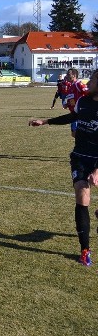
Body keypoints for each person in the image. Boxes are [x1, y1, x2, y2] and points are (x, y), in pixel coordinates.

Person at [29, 69, 98, 266]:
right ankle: (85, 250)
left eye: (92, 80)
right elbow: (71, 118)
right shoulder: (83, 102)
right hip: (80, 157)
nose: (89, 82)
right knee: (82, 195)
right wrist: (45, 121)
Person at [64, 68, 88, 137]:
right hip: (73, 114)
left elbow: (88, 93)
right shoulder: (71, 86)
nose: (67, 76)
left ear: (74, 75)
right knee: (74, 134)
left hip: (79, 115)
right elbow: (73, 99)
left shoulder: (78, 84)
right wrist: (67, 104)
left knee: (77, 134)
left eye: (68, 74)